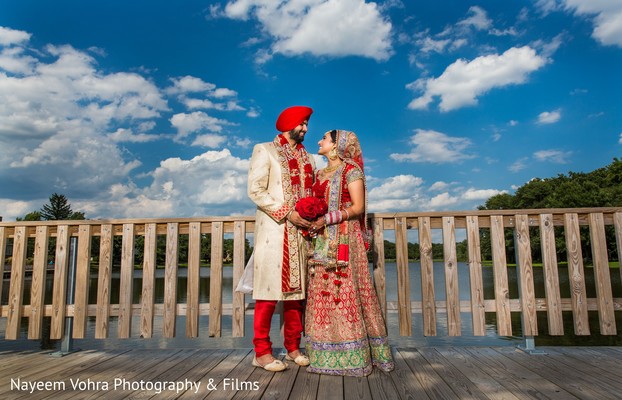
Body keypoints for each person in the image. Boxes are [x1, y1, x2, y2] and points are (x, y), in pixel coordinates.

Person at [306, 130, 394, 376]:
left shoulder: (351, 170)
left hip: (345, 237)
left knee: (344, 291)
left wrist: (328, 218)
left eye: (324, 138)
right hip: (321, 239)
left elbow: (358, 207)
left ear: (336, 145)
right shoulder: (318, 173)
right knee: (323, 293)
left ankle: (354, 357)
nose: (319, 142)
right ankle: (324, 355)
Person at [247, 105, 316, 372]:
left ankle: (292, 347)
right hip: (274, 232)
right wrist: (287, 213)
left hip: (301, 234)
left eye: (307, 124)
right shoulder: (265, 150)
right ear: (290, 123)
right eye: (303, 123)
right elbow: (255, 190)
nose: (306, 129)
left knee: (295, 296)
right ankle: (261, 351)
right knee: (267, 293)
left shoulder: (309, 158)